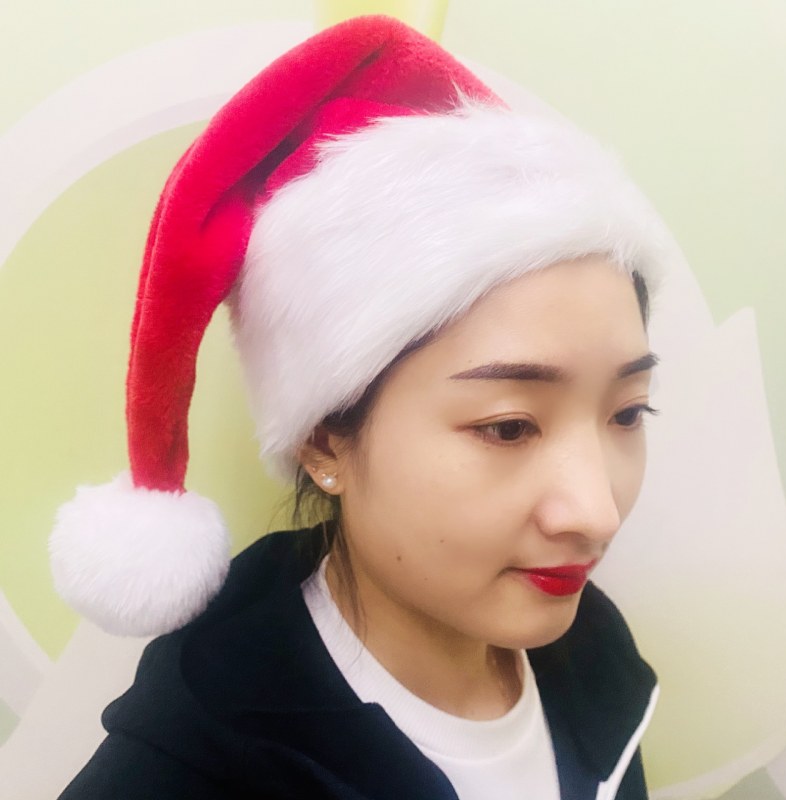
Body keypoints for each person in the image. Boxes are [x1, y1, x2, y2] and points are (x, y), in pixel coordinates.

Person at [51, 14, 671, 800]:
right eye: (510, 426)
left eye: (627, 413)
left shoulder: (592, 658)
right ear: (323, 439)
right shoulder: (192, 764)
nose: (596, 512)